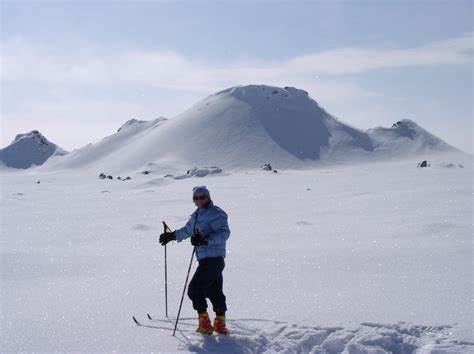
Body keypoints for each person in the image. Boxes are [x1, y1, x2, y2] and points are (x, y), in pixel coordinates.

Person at [159, 186, 230, 335]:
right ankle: (220, 323)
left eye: (202, 197)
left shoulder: (216, 213)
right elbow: (186, 231)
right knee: (214, 291)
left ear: (208, 197)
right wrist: (171, 236)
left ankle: (205, 324)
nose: (199, 200)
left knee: (194, 290)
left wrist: (205, 240)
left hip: (214, 259)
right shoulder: (197, 215)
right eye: (195, 198)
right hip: (207, 260)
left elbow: (224, 233)